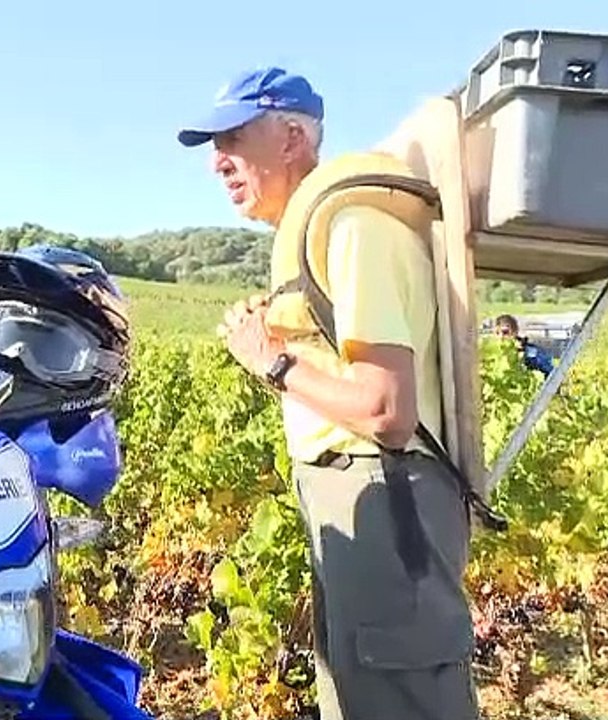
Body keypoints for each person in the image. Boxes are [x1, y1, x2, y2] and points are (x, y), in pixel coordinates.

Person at [178, 67, 482, 719]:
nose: (217, 163)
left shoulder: (355, 231)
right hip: (359, 497)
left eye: (232, 137)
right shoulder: (328, 232)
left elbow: (385, 410)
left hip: (385, 498)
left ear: (291, 137)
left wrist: (275, 364)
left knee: (398, 701)